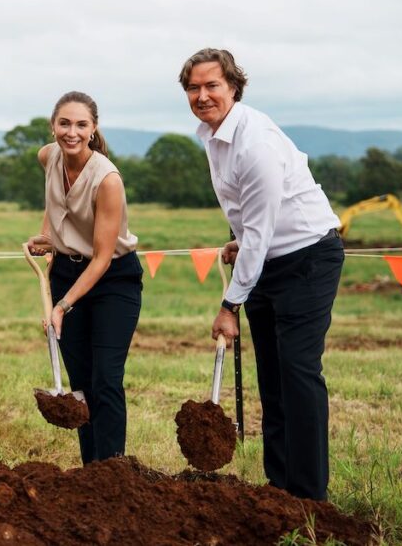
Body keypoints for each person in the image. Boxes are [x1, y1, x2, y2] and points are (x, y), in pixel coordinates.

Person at [179, 47, 344, 500]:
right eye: (193, 87)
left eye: (212, 85)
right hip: (269, 257)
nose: (202, 94)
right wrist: (242, 238)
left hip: (307, 258)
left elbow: (263, 228)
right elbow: (252, 221)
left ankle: (310, 499)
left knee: (298, 373)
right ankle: (278, 490)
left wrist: (229, 305)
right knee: (271, 378)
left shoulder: (255, 143)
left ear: (234, 86)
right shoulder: (213, 136)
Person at [26, 91, 143, 464]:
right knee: (81, 383)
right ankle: (91, 470)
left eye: (80, 125)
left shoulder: (107, 179)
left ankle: (113, 471)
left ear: (93, 129)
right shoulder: (49, 156)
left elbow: (102, 258)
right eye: (64, 123)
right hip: (65, 269)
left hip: (112, 279)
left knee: (106, 378)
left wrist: (63, 304)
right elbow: (53, 199)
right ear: (53, 126)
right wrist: (49, 236)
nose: (71, 132)